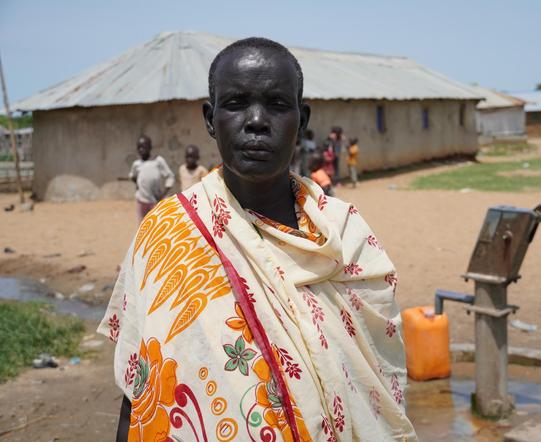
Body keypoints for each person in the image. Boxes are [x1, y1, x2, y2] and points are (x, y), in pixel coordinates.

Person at [100, 37, 416, 441]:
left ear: (302, 120)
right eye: (235, 103)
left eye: (277, 105)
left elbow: (378, 379)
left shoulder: (346, 234)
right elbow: (138, 386)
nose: (256, 120)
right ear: (211, 119)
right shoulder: (165, 233)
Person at [128, 135, 175, 221]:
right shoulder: (136, 164)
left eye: (144, 147)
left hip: (155, 201)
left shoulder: (158, 161)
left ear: (150, 147)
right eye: (139, 147)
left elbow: (170, 176)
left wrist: (163, 194)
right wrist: (138, 183)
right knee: (142, 224)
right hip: (141, 200)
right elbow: (132, 175)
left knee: (156, 223)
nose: (141, 149)